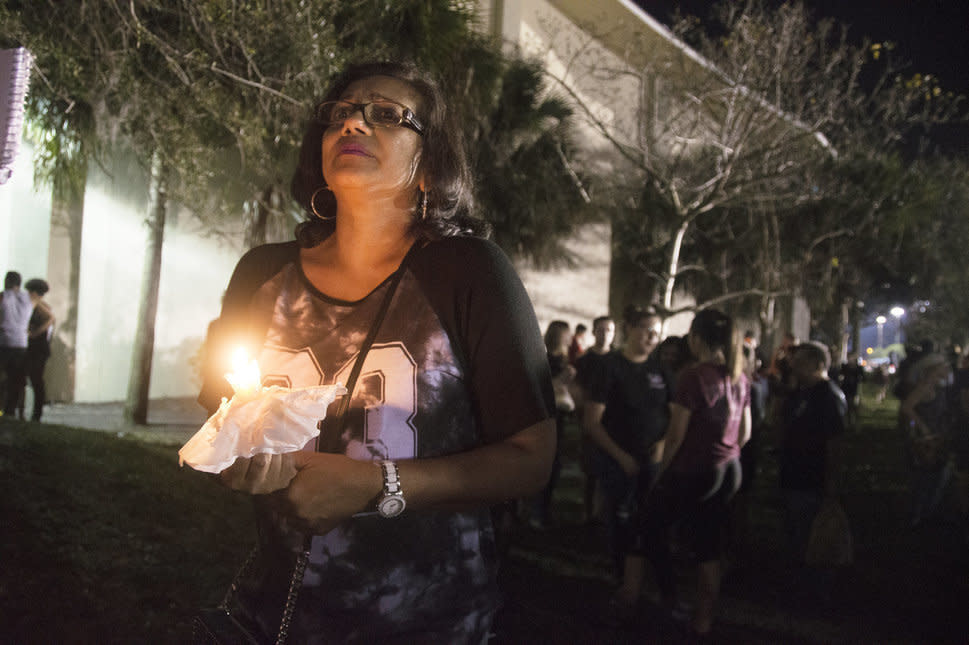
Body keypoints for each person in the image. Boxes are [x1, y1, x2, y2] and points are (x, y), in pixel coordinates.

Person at [197, 61, 556, 643]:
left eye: (387, 115)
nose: (354, 124)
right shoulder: (262, 274)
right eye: (339, 114)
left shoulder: (469, 274)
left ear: (428, 168)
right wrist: (240, 460)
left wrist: (377, 484)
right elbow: (222, 414)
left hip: (426, 620)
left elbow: (532, 456)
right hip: (276, 617)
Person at [640, 309, 750, 640]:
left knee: (650, 527)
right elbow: (745, 432)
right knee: (708, 544)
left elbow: (676, 435)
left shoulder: (694, 376)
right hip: (729, 467)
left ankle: (670, 599)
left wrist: (660, 474)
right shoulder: (738, 375)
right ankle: (704, 620)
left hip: (697, 469)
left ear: (696, 338)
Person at [582, 305, 668, 619]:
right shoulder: (610, 367)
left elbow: (671, 414)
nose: (652, 337)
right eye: (646, 329)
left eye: (657, 332)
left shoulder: (659, 370)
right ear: (629, 328)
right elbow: (592, 422)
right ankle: (623, 582)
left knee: (650, 524)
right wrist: (622, 458)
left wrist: (661, 445)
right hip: (619, 463)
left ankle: (647, 586)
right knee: (622, 523)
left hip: (653, 463)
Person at [777, 342, 847, 601]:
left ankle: (817, 589)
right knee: (796, 533)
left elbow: (835, 442)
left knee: (814, 537)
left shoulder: (827, 397)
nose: (793, 365)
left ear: (818, 365)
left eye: (800, 362)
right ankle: (801, 582)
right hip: (793, 475)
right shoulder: (801, 393)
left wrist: (831, 483)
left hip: (812, 479)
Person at [531, 320, 576, 528]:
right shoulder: (543, 358)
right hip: (544, 416)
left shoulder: (567, 359)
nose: (569, 337)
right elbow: (540, 386)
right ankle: (536, 512)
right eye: (566, 334)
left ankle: (543, 511)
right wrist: (561, 380)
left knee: (555, 465)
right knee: (545, 463)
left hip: (561, 417)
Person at [901, 353, 954, 527]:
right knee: (926, 477)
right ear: (934, 369)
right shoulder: (925, 387)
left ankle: (924, 514)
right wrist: (923, 427)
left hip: (936, 437)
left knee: (934, 476)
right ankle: (920, 515)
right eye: (944, 367)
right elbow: (907, 407)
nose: (948, 370)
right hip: (926, 440)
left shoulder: (939, 387)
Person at [573, 315, 616, 523]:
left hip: (613, 423)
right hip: (590, 421)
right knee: (589, 468)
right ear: (594, 331)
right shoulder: (584, 361)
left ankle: (602, 512)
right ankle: (587, 512)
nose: (606, 333)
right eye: (602, 329)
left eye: (609, 329)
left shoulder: (618, 361)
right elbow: (577, 391)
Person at [0, 271, 33, 419]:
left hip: (5, 342)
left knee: (2, 377)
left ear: (7, 281)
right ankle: (10, 411)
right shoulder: (28, 298)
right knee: (16, 380)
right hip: (21, 343)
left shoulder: (3, 296)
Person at [23, 279, 54, 421]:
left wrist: (33, 334)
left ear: (35, 293)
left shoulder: (41, 307)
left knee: (36, 381)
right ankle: (34, 413)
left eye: (29, 292)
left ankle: (37, 414)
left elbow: (51, 320)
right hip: (38, 348)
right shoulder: (41, 306)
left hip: (38, 349)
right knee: (34, 380)